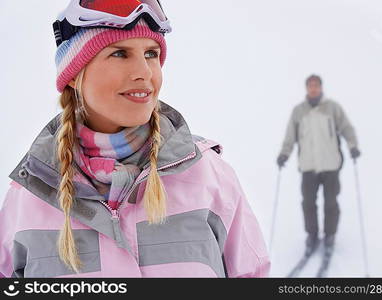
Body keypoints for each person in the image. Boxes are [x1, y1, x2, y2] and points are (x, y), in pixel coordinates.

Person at [0, 0, 270, 278]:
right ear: (73, 74)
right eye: (119, 54)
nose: (144, 72)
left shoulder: (208, 176)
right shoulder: (32, 195)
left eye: (151, 54)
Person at [276, 74, 360, 255]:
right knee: (308, 203)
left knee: (331, 202)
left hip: (331, 164)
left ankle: (330, 235)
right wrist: (284, 154)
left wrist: (353, 146)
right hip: (308, 166)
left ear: (321, 87)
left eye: (316, 85)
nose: (313, 89)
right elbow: (290, 137)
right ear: (307, 88)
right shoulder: (298, 111)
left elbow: (346, 128)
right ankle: (312, 235)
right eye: (310, 86)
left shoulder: (332, 108)